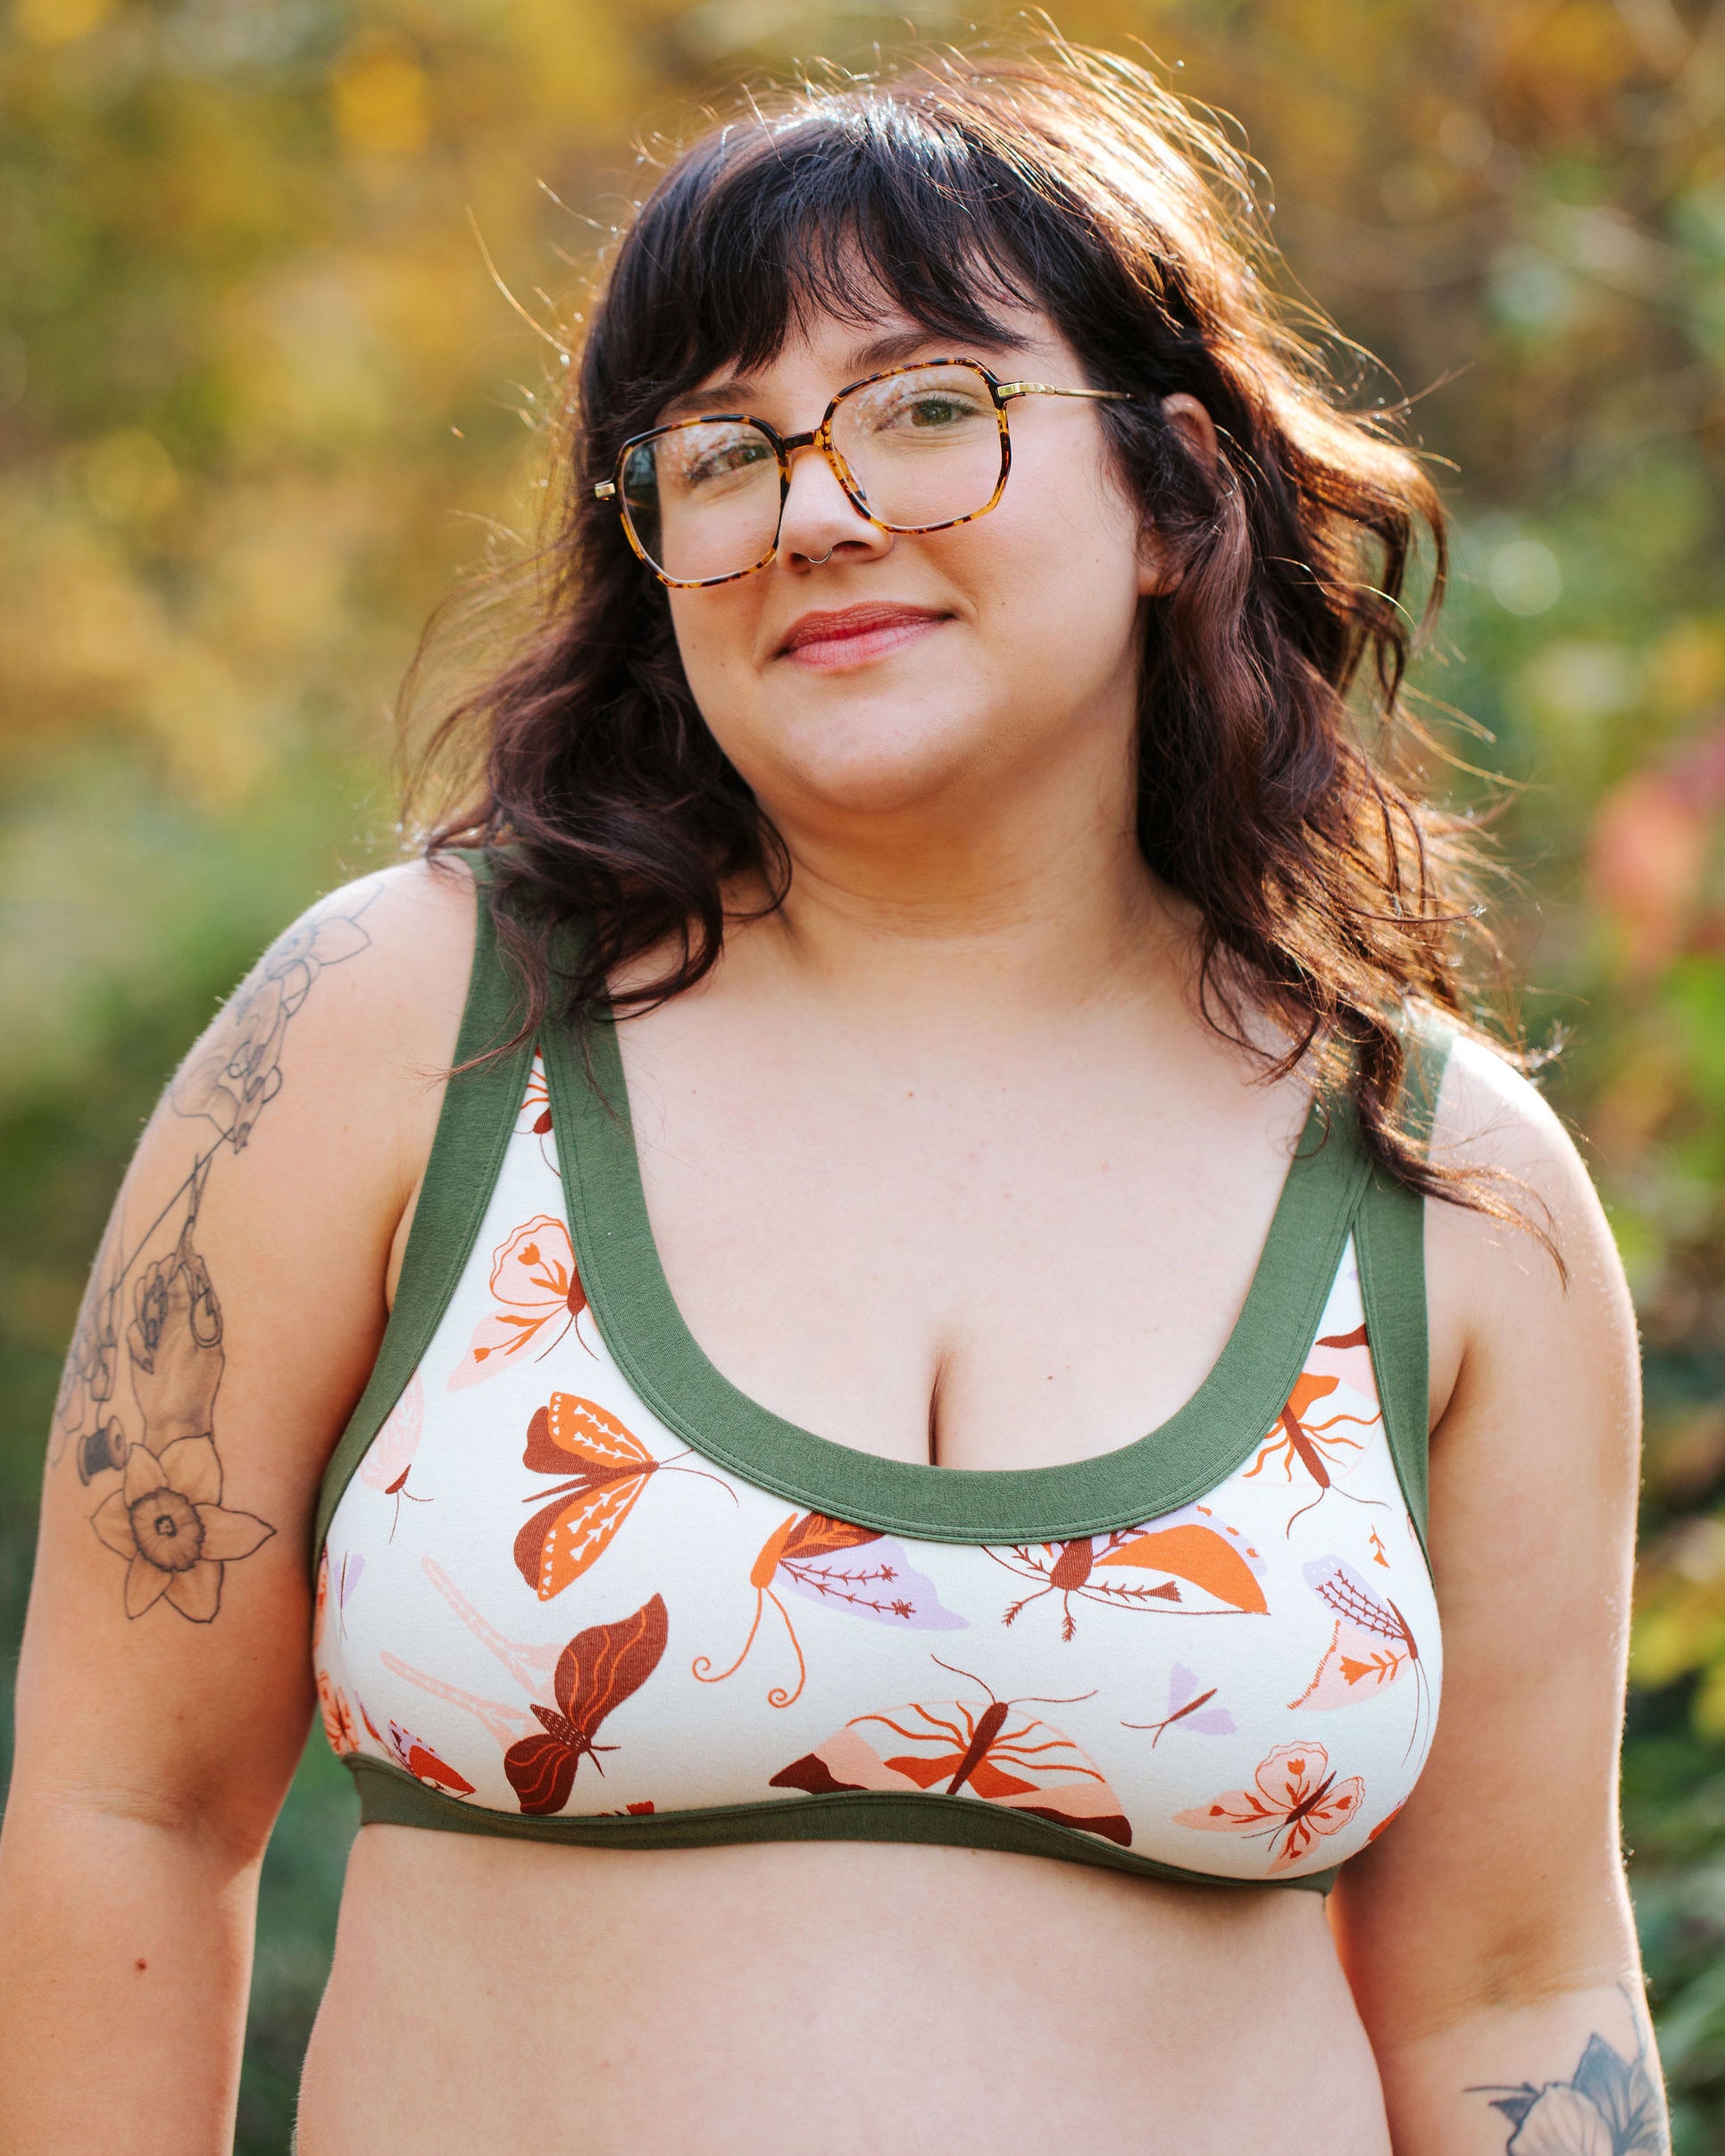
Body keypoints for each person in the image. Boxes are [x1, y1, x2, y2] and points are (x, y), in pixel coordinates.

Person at [0, 40, 1667, 2156]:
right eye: (719, 451)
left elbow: (1518, 1993)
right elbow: (120, 1809)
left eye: (931, 412)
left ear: (1170, 494)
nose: (816, 509)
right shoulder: (402, 1026)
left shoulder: (1448, 1191)